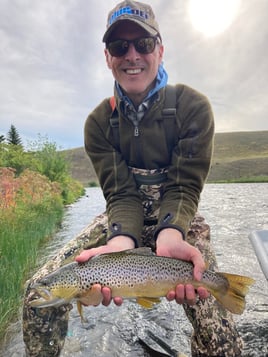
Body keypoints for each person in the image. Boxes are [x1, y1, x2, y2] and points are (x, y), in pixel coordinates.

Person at [76, 1, 243, 355]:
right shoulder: (97, 124)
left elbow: (183, 186)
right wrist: (120, 245)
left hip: (178, 221)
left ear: (161, 50)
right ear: (108, 57)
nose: (132, 54)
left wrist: (170, 233)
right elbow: (121, 195)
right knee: (36, 292)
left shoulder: (192, 107)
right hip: (122, 219)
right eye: (120, 46)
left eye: (144, 44)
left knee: (223, 341)